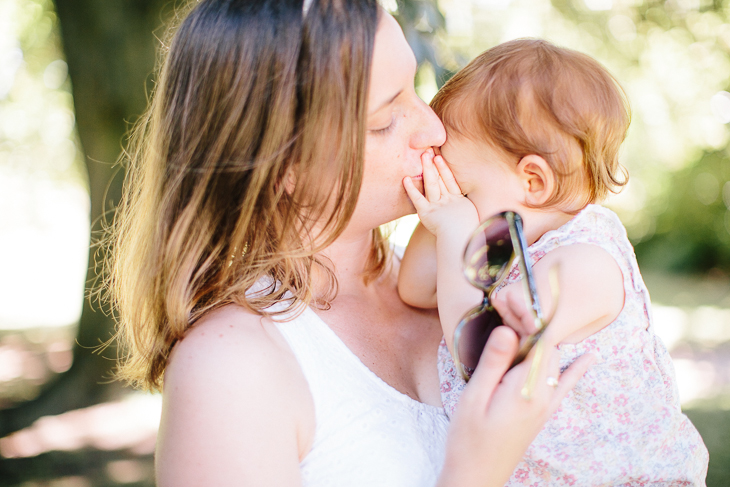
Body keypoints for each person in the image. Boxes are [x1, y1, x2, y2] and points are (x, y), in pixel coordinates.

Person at [105, 1, 595, 486]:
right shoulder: (230, 369)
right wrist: (478, 472)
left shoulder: (452, 278)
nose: (433, 128)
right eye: (385, 119)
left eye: (416, 91)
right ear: (283, 166)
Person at [398, 39, 709, 485]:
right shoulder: (508, 235)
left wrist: (454, 229)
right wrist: (444, 210)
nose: (458, 205)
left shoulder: (584, 264)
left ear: (533, 181)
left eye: (463, 189)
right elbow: (418, 288)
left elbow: (481, 353)